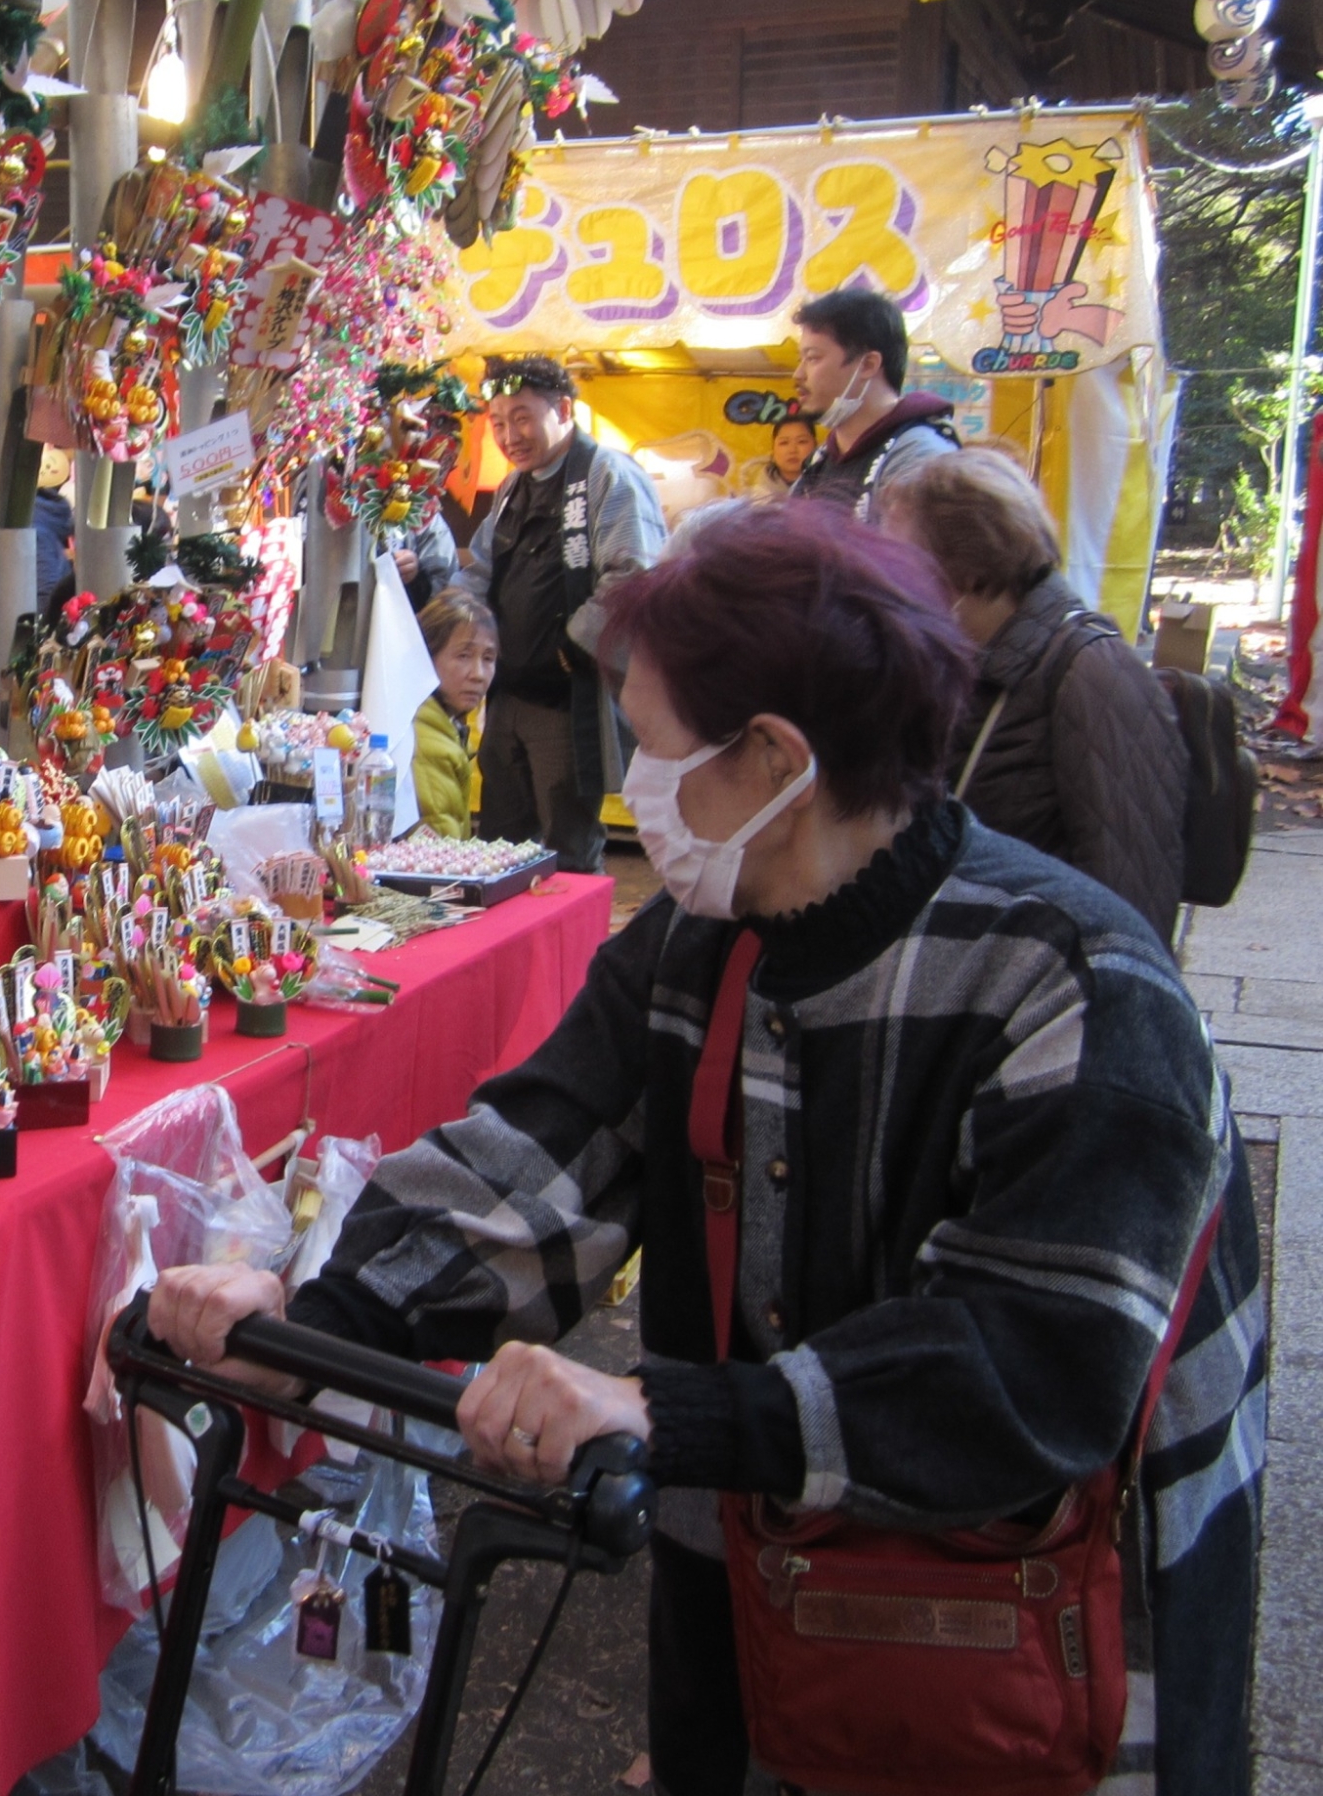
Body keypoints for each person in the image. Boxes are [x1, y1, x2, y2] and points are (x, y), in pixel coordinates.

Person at [151, 502, 1261, 1796]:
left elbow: (1034, 1361)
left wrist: (654, 1404)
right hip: (765, 1594)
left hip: (1025, 1638)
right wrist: (309, 1310)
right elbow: (535, 1150)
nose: (636, 787)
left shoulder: (1080, 984)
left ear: (776, 758)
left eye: (660, 746)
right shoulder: (700, 938)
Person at [877, 447, 1188, 943]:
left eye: (904, 564)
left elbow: (1134, 904)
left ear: (969, 567)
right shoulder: (957, 660)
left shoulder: (1094, 673)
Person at [457, 356, 666, 873]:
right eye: (499, 423)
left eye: (523, 417)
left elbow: (634, 576)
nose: (510, 436)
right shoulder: (511, 488)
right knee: (500, 847)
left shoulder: (607, 475)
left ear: (564, 409)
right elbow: (480, 570)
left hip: (568, 699)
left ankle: (578, 955)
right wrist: (451, 627)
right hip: (507, 696)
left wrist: (570, 649)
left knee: (567, 849)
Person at [788, 288, 958, 513]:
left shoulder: (921, 461)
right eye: (801, 359)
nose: (798, 374)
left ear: (868, 365)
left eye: (812, 358)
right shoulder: (818, 464)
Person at [411, 588, 495, 837]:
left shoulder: (444, 727)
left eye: (488, 658)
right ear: (426, 657)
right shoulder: (428, 746)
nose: (478, 674)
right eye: (463, 656)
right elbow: (441, 863)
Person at [730, 412, 815, 502]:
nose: (792, 450)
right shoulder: (759, 495)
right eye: (784, 443)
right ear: (773, 449)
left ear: (815, 445)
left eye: (802, 441)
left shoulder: (827, 482)